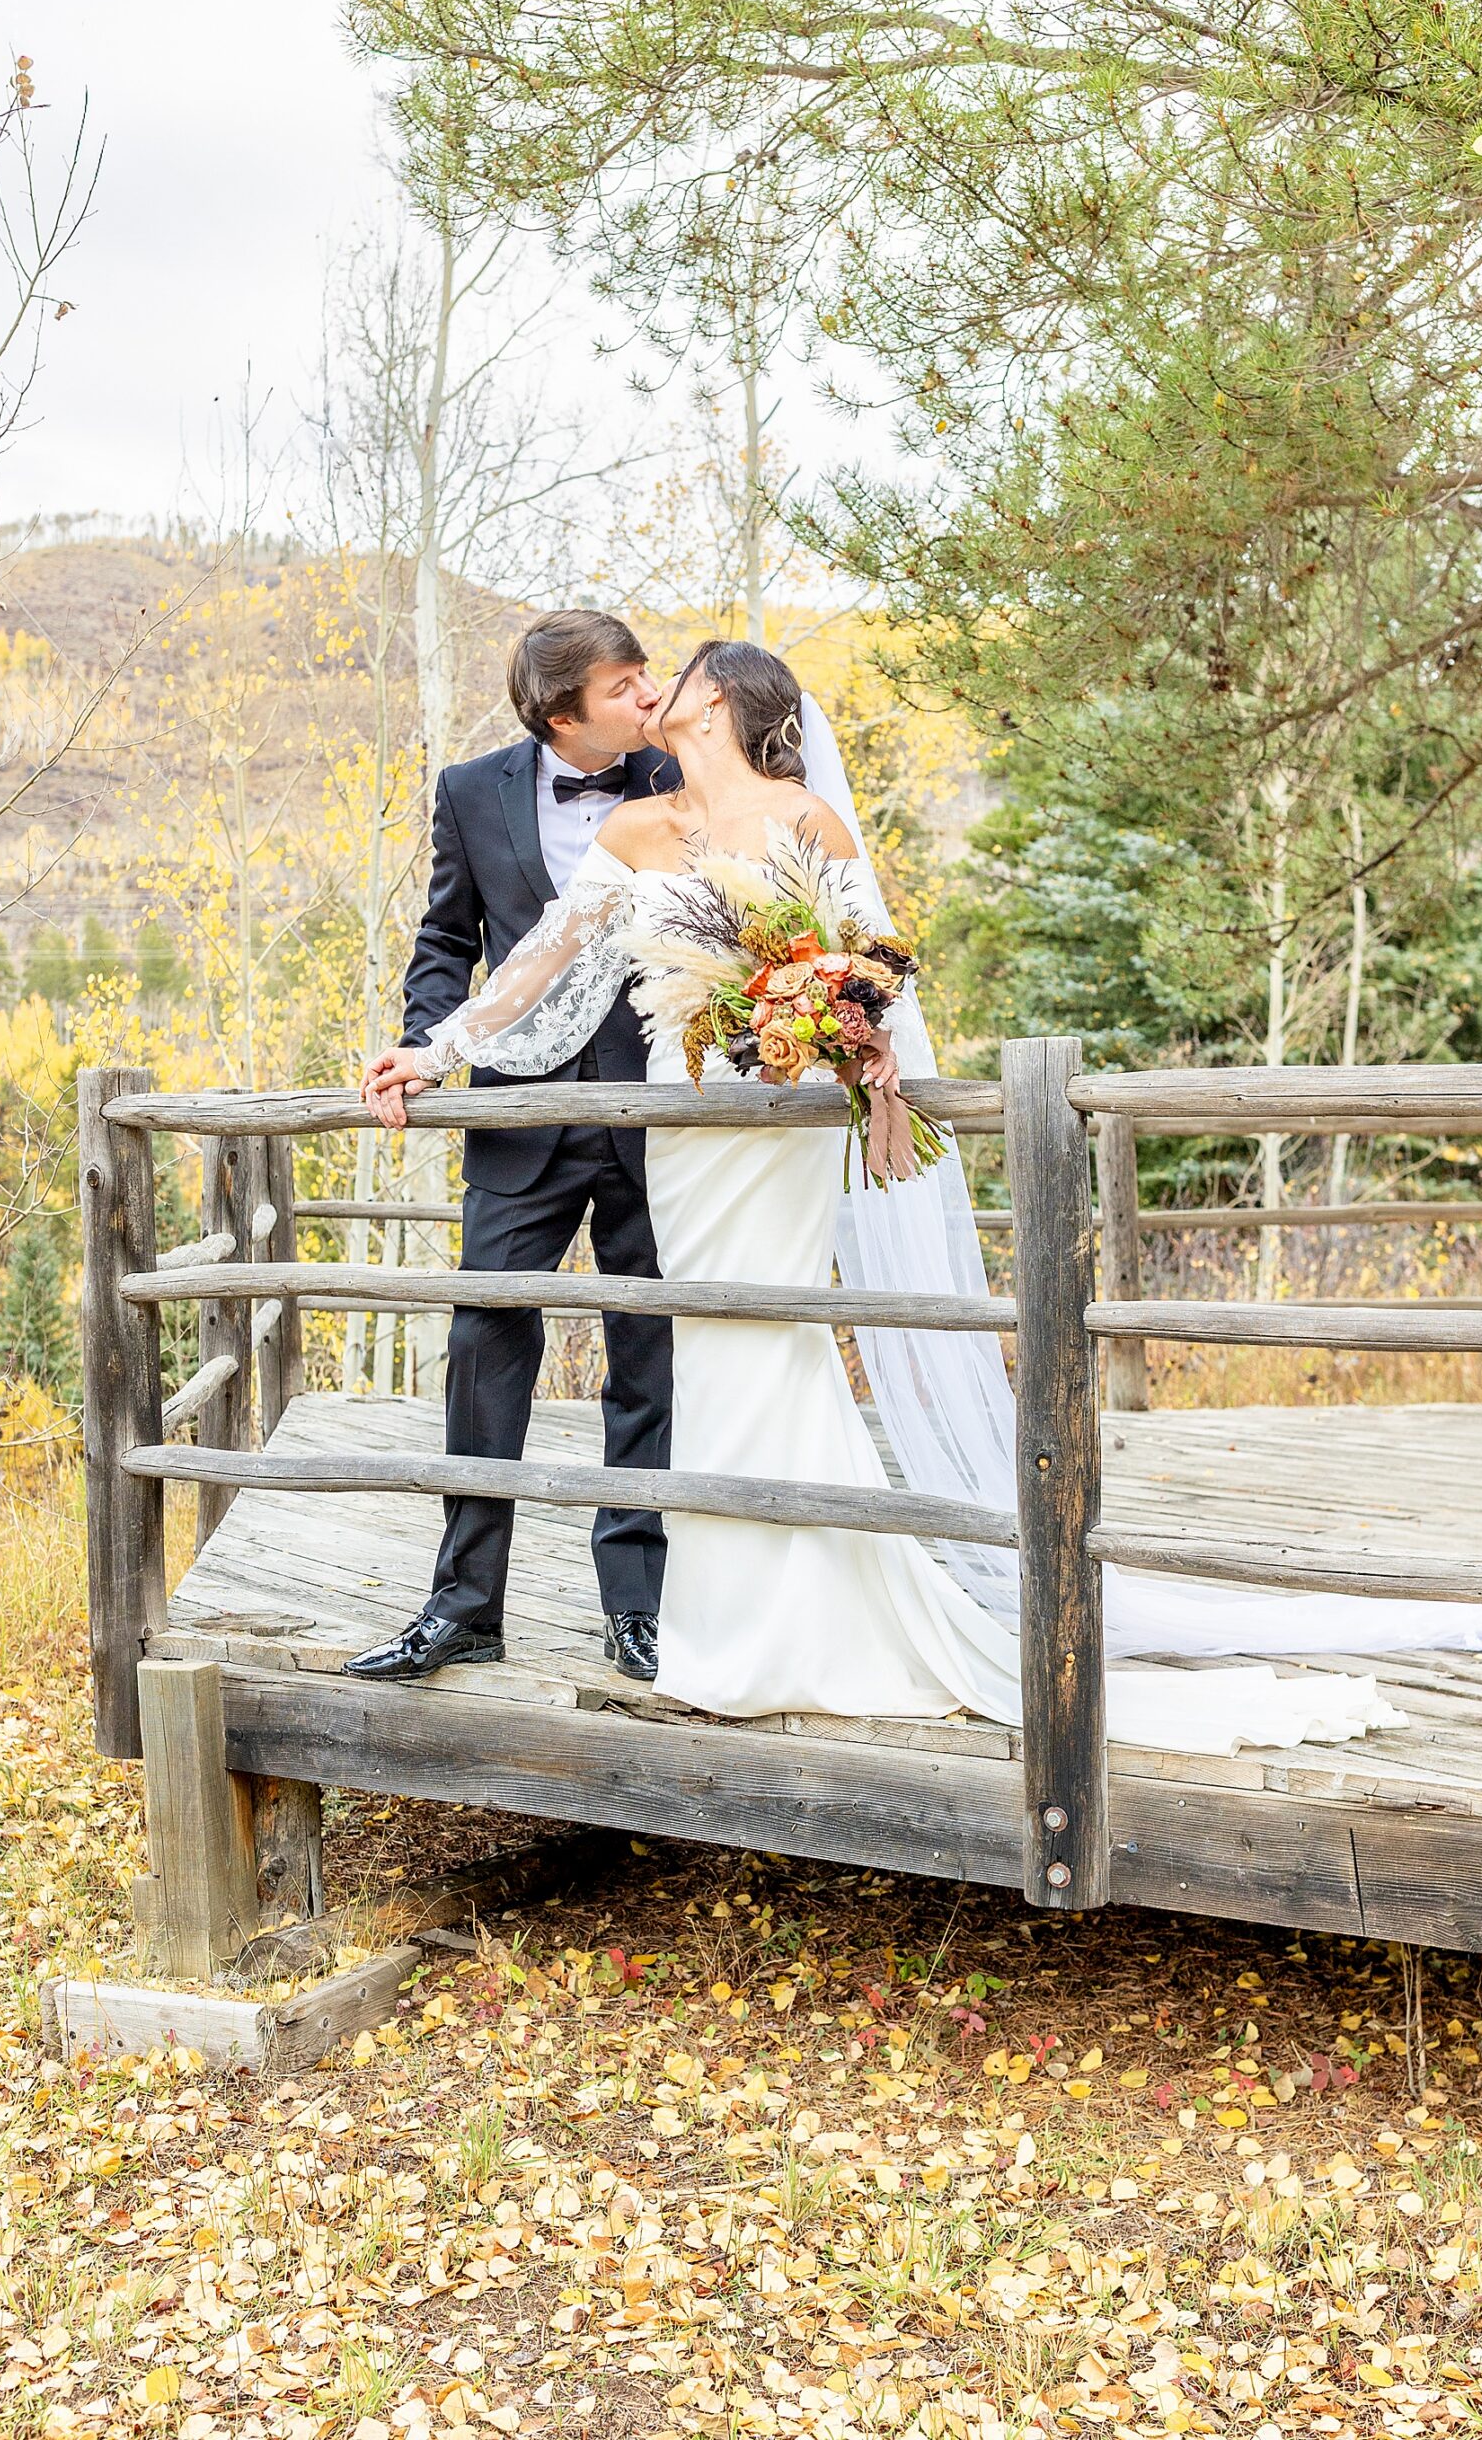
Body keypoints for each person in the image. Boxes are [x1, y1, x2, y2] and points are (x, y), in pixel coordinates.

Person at [351, 637, 1408, 1756]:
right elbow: (543, 966)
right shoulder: (633, 831)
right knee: (703, 1354)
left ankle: (798, 1621)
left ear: (714, 705)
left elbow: (876, 964)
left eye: (681, 676)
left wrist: (827, 1019)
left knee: (772, 1336)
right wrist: (436, 1050)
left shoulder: (810, 822)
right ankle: (722, 1630)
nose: (661, 686)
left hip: (777, 1135)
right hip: (683, 1130)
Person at [344, 612, 678, 1687]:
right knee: (486, 1346)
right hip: (515, 1114)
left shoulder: (683, 776)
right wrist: (424, 1043)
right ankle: (464, 1604)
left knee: (650, 1358)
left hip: (656, 1111)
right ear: (559, 711)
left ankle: (641, 1604)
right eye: (628, 681)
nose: (652, 693)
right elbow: (447, 937)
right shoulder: (470, 788)